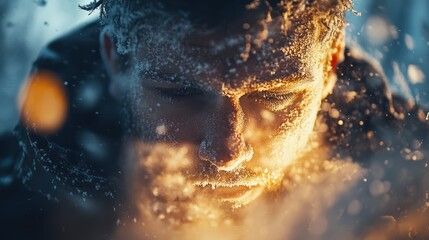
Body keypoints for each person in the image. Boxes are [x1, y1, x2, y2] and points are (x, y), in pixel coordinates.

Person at [1, 0, 428, 239]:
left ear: (331, 62)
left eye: (275, 95)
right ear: (115, 62)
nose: (227, 152)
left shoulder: (412, 185)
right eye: (180, 93)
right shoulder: (19, 195)